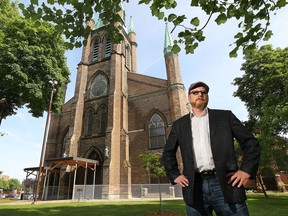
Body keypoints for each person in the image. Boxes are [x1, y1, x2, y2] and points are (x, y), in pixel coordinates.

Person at [163, 81, 260, 216]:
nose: (200, 95)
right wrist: (174, 175)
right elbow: (168, 153)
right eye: (195, 92)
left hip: (226, 183)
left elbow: (251, 143)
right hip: (195, 187)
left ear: (207, 97)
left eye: (204, 92)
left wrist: (246, 170)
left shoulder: (225, 117)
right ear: (189, 97)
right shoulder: (179, 125)